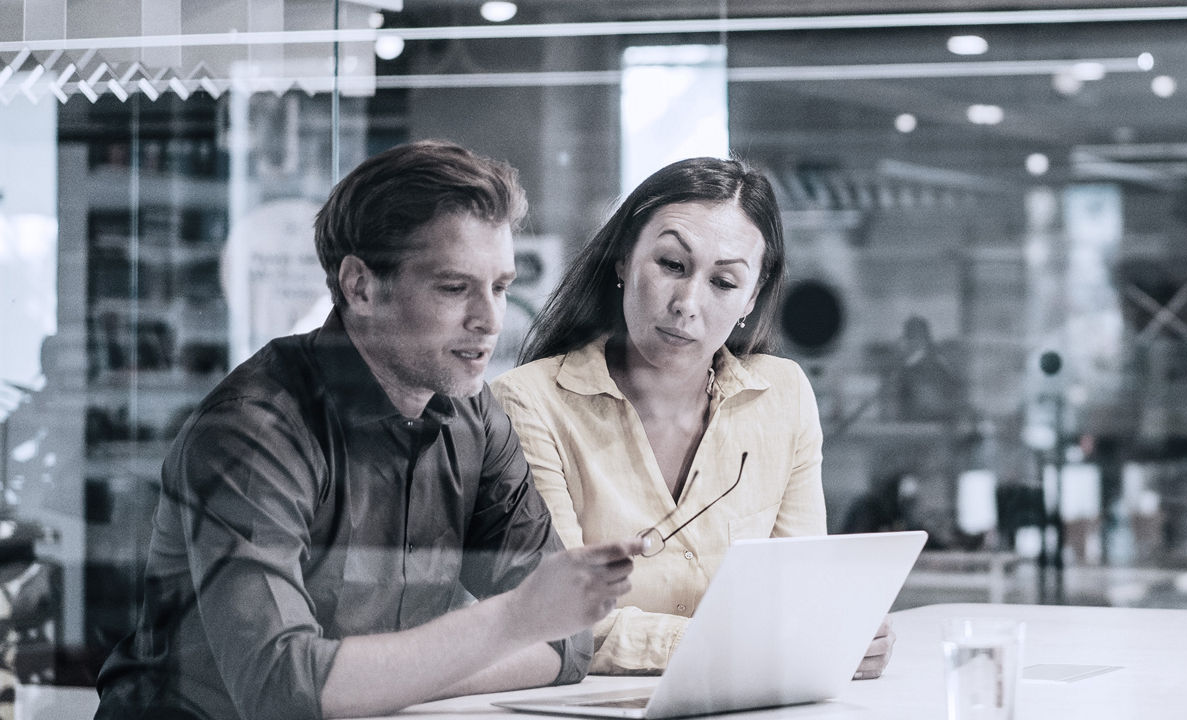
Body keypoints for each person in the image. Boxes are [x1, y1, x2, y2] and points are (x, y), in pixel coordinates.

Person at [94, 140, 641, 720]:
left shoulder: (474, 417)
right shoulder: (253, 429)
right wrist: (511, 621)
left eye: (500, 286)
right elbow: (284, 688)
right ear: (359, 286)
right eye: (454, 287)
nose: (489, 320)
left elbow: (569, 642)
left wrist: (386, 681)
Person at [490, 156, 894, 677]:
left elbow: (797, 594)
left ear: (752, 296)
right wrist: (776, 642)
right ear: (622, 261)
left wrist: (843, 630)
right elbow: (563, 622)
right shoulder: (528, 403)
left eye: (723, 283)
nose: (687, 303)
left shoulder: (783, 395)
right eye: (671, 265)